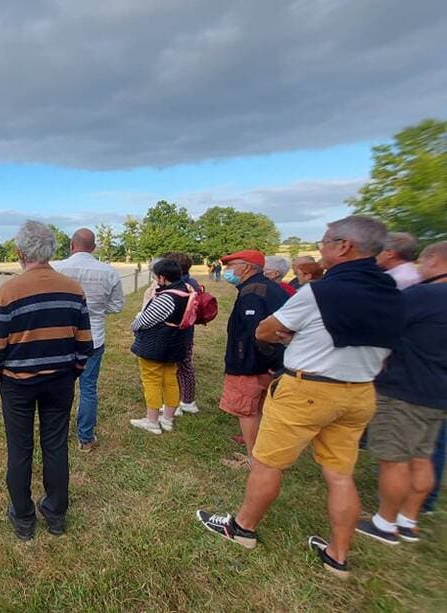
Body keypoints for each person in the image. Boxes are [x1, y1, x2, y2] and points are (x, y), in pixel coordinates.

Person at [197, 216, 405, 579]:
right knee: (340, 474)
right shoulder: (391, 290)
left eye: (326, 240)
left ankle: (242, 527)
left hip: (308, 390)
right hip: (359, 391)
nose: (320, 247)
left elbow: (266, 329)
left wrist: (285, 338)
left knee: (268, 462)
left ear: (344, 246)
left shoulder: (321, 292)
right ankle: (338, 554)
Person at [0, 221, 92, 540]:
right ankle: (56, 515)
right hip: (60, 381)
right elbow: (84, 343)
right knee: (56, 445)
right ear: (52, 250)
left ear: (20, 252)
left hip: (17, 384)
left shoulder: (8, 291)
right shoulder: (73, 289)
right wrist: (72, 370)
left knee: (19, 449)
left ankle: (23, 517)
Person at [356, 241, 447, 544]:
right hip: (437, 391)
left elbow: (377, 324)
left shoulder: (423, 295)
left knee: (394, 460)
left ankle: (385, 522)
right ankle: (409, 519)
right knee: (422, 457)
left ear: (434, 260)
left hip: (404, 388)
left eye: (423, 260)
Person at [52, 228, 124, 451]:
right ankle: (85, 438)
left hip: (61, 336)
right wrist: (96, 309)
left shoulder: (56, 268)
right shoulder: (109, 272)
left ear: (72, 246)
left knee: (58, 387)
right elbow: (116, 305)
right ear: (93, 248)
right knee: (88, 388)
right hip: (94, 336)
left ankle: (55, 436)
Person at [217, 250, 288, 468]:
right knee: (258, 410)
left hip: (250, 365)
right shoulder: (268, 287)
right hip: (268, 362)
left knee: (246, 410)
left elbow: (255, 332)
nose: (228, 271)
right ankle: (258, 453)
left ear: (247, 267)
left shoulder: (253, 293)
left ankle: (253, 460)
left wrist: (260, 362)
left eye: (232, 266)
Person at [129, 258, 191, 435]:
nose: (155, 279)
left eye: (155, 276)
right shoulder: (185, 289)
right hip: (174, 344)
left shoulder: (167, 297)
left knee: (152, 381)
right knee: (170, 380)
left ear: (163, 278)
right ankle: (168, 418)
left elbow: (144, 320)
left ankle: (152, 421)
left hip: (156, 346)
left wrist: (134, 323)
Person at [161, 251, 200, 416]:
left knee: (173, 368)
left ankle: (174, 402)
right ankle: (187, 400)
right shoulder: (192, 283)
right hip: (186, 332)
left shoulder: (179, 287)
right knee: (185, 366)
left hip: (174, 333)